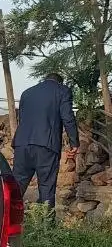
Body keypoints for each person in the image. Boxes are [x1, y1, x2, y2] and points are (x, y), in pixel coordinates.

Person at [11, 72, 79, 212]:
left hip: (22, 144)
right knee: (46, 186)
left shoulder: (27, 93)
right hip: (46, 145)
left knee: (17, 185)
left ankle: (7, 221)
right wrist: (74, 143)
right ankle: (47, 228)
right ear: (60, 82)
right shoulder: (62, 91)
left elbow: (22, 118)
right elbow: (67, 117)